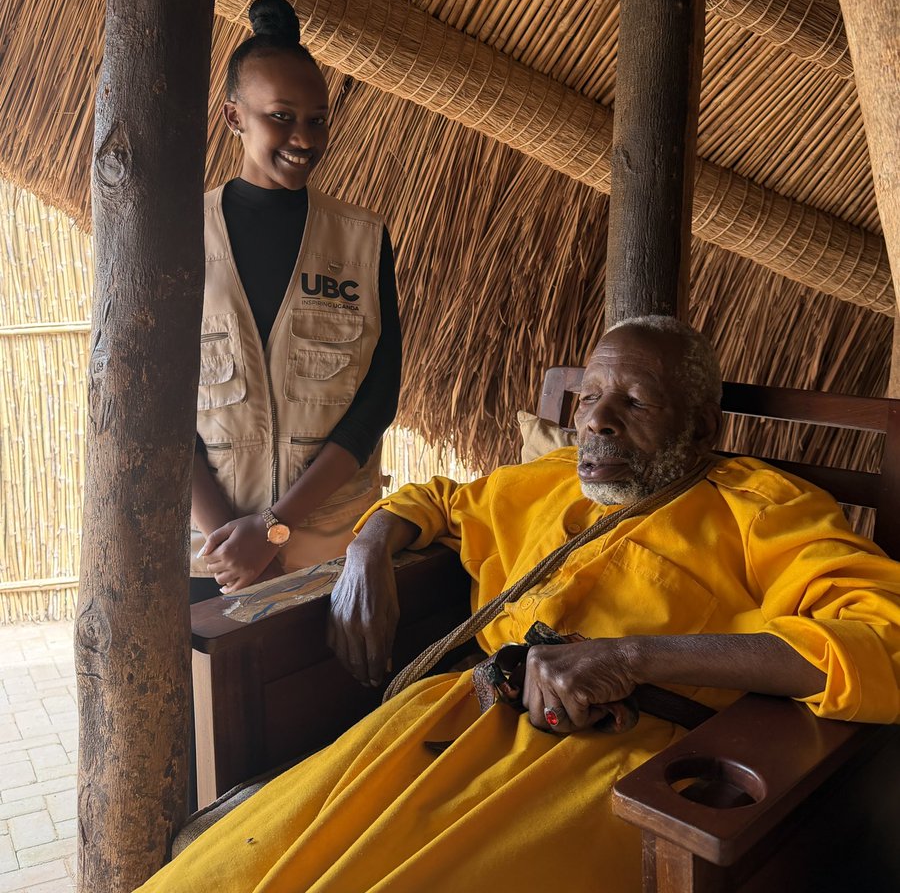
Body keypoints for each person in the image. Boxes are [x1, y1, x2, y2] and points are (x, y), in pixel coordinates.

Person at [142, 315, 900, 892]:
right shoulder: (549, 479)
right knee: (232, 875)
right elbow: (433, 499)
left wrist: (633, 656)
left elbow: (882, 641)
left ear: (701, 426)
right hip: (453, 714)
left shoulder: (763, 509)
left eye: (634, 402)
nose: (597, 420)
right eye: (590, 397)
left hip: (613, 763)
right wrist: (369, 550)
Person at [190, 0, 402, 598]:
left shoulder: (361, 240)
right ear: (235, 117)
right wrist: (235, 541)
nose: (303, 138)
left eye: (317, 119)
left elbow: (377, 397)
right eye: (280, 117)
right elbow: (157, 404)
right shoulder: (179, 237)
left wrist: (275, 528)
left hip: (332, 550)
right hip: (211, 558)